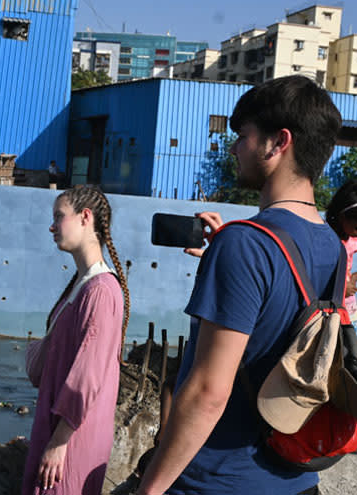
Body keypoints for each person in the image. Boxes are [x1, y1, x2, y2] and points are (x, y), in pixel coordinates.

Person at [137, 75, 342, 494]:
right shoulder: (333, 245)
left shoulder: (244, 245)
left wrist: (150, 488)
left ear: (277, 142)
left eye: (243, 136)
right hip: (297, 478)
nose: (233, 148)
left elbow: (209, 391)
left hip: (218, 481)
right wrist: (228, 254)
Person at [22, 185, 129, 495]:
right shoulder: (81, 286)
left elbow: (88, 375)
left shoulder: (100, 291)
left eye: (59, 216)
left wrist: (59, 441)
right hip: (58, 428)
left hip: (71, 437)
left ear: (85, 217)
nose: (52, 226)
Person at [326, 179, 357, 323]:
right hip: (331, 309)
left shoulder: (352, 238)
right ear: (342, 217)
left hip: (349, 308)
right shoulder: (328, 241)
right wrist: (343, 290)